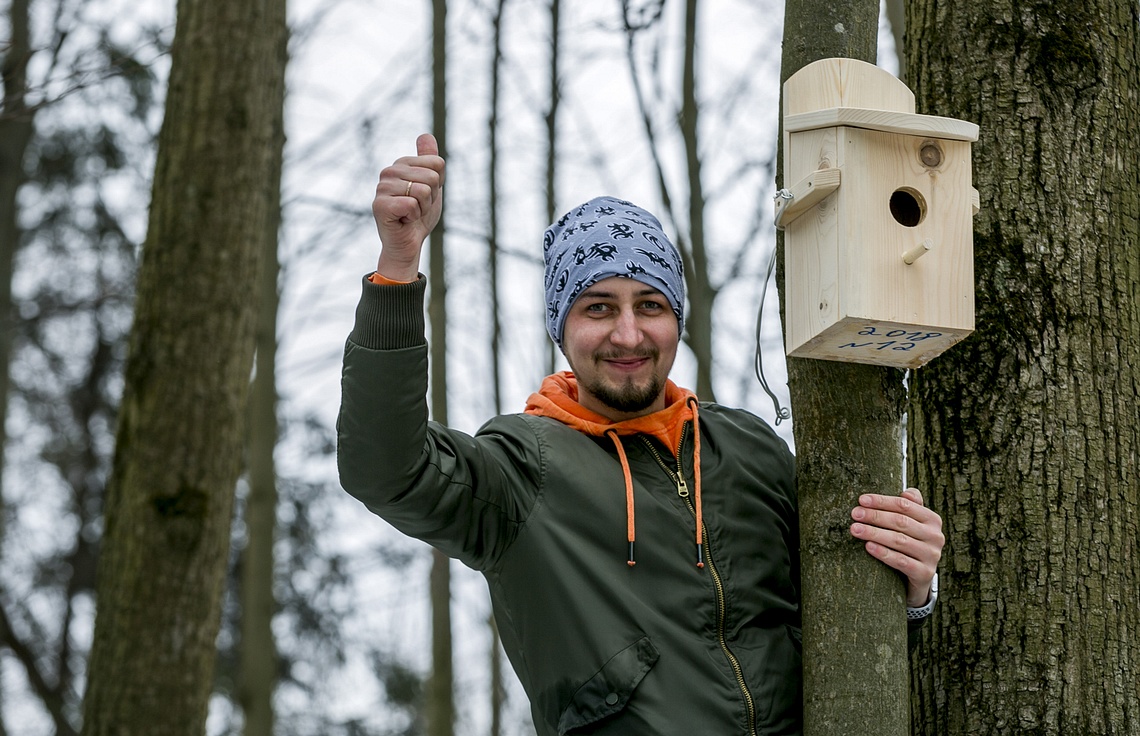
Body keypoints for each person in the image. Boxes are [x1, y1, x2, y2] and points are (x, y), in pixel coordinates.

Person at [337, 134, 944, 736]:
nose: (628, 335)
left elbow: (842, 633)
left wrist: (911, 591)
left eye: (650, 306)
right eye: (598, 307)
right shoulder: (522, 470)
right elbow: (387, 469)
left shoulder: (750, 451)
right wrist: (398, 264)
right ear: (561, 326)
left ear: (676, 317)